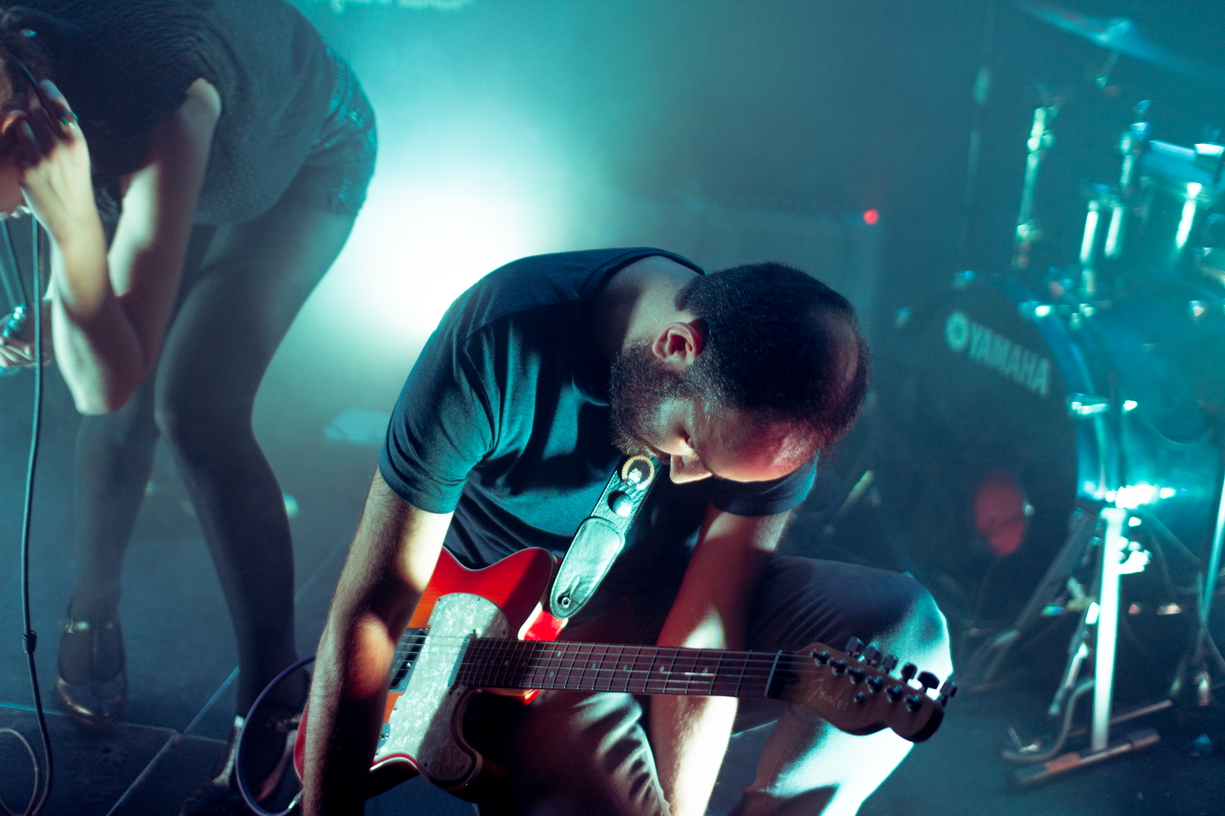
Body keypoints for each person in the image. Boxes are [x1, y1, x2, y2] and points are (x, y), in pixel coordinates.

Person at [302, 248, 952, 816]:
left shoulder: (771, 423)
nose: (689, 478)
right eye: (691, 442)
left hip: (659, 608)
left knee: (908, 632)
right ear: (675, 346)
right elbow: (372, 613)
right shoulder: (499, 339)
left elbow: (707, 629)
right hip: (488, 631)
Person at [0, 1, 376, 812]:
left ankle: (274, 696)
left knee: (192, 403)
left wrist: (72, 235)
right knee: (119, 394)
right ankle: (91, 606)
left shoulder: (158, 100)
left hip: (296, 152)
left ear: (25, 129)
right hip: (146, 152)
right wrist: (71, 286)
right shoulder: (30, 70)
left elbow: (103, 376)